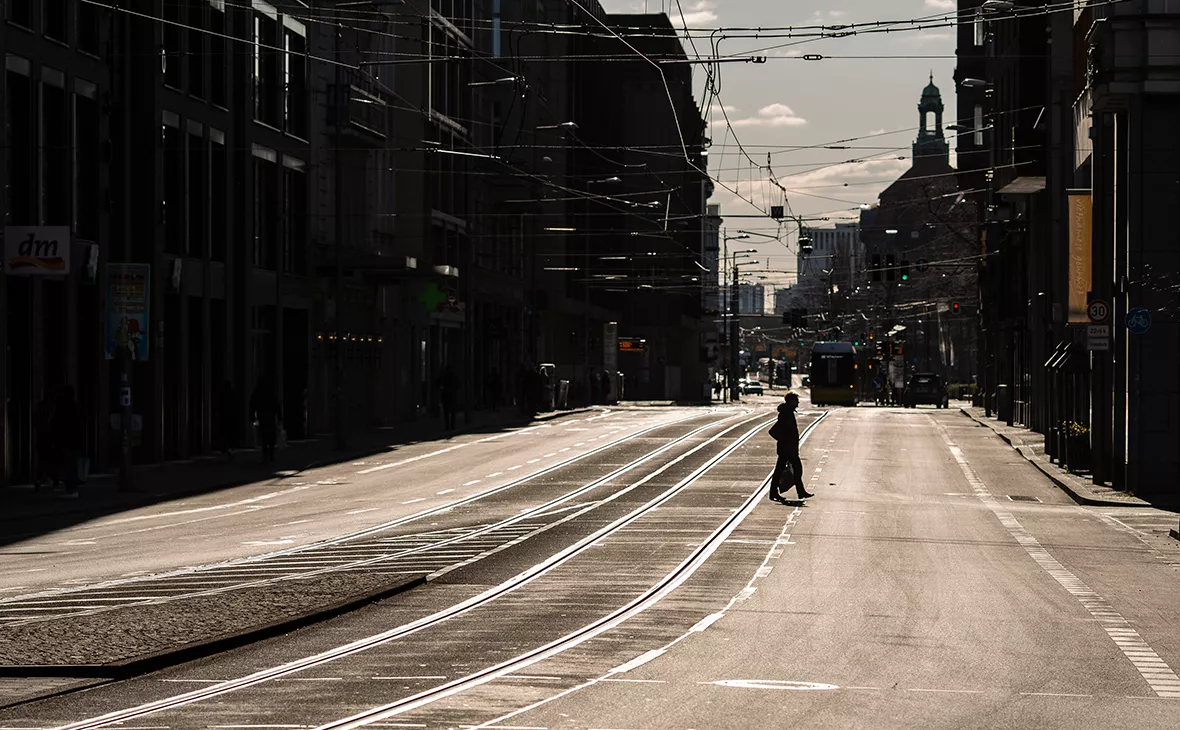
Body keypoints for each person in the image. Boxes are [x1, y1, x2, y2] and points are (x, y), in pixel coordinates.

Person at [768, 392, 814, 502]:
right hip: (787, 449)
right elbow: (774, 431)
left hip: (789, 448)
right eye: (796, 400)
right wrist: (785, 440)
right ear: (791, 401)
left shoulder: (788, 412)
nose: (798, 403)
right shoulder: (786, 414)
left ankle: (776, 492)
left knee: (781, 470)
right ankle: (799, 492)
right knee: (795, 469)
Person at [50, 386, 83, 498]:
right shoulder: (74, 407)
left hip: (66, 441)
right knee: (70, 464)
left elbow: (57, 424)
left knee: (68, 465)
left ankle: (70, 488)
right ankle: (70, 487)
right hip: (72, 441)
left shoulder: (64, 408)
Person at [250, 376, 282, 463]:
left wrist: (252, 417)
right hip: (270, 416)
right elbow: (277, 404)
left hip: (262, 416)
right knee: (271, 435)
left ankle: (266, 455)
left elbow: (252, 404)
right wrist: (279, 417)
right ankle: (271, 454)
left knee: (264, 436)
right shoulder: (270, 391)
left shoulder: (257, 391)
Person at [33, 390, 56, 490]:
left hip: (41, 438)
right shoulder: (51, 409)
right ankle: (53, 478)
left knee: (42, 460)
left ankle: (40, 479)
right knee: (50, 460)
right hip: (48, 438)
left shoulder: (40, 408)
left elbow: (35, 422)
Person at [437, 365, 458, 432]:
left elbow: (438, 383)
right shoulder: (453, 376)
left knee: (447, 412)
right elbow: (458, 385)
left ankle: (448, 426)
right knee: (452, 411)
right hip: (451, 396)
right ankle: (452, 425)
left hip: (446, 395)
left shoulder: (444, 377)